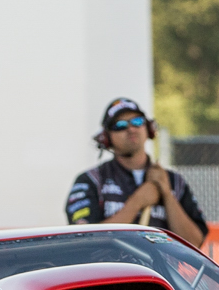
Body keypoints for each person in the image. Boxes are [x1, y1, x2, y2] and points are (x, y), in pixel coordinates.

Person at [65, 98, 207, 246]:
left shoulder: (175, 181)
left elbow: (195, 242)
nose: (131, 128)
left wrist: (166, 194)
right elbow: (87, 242)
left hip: (158, 269)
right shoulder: (90, 181)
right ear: (106, 138)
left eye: (137, 121)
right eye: (120, 125)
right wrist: (136, 202)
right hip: (111, 268)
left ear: (149, 128)